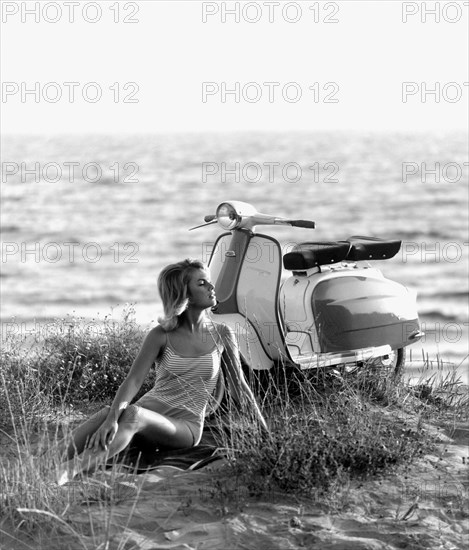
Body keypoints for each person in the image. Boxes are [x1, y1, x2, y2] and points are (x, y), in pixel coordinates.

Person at [57, 259, 268, 485]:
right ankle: (46, 462)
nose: (211, 287)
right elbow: (134, 381)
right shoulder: (161, 335)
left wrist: (266, 435)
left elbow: (240, 388)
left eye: (208, 281)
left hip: (185, 427)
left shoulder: (222, 334)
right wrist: (111, 420)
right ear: (183, 293)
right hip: (149, 414)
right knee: (107, 414)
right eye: (202, 283)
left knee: (132, 414)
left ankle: (72, 470)